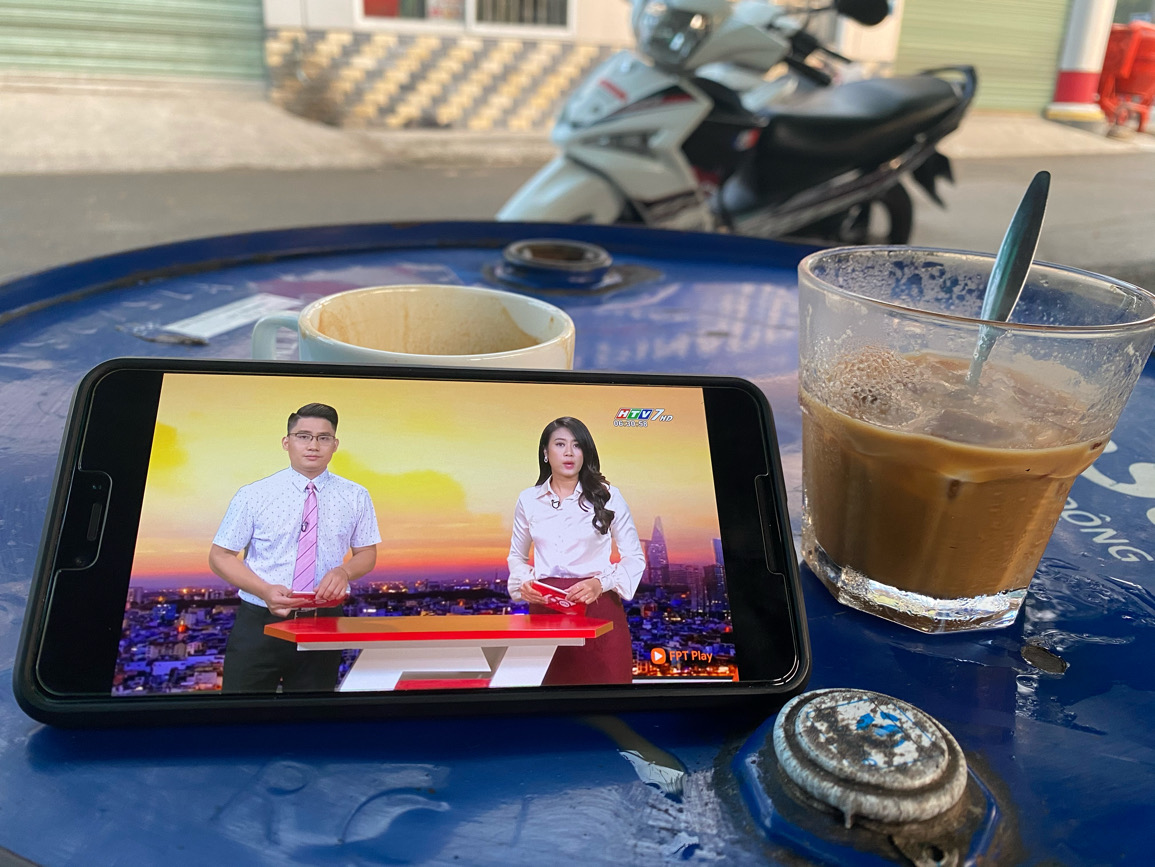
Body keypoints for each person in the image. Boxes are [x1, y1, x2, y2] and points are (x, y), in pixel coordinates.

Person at [209, 403, 380, 693]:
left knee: (311, 712)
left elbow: (367, 553)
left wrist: (344, 572)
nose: (313, 445)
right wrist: (265, 590)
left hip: (324, 622)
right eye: (303, 436)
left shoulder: (355, 496)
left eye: (323, 437)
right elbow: (220, 556)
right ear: (286, 442)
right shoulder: (253, 495)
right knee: (241, 711)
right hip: (260, 621)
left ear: (335, 445)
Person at [507, 416, 646, 685]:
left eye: (577, 445)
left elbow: (634, 557)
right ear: (546, 453)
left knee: (607, 699)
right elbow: (517, 556)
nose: (569, 452)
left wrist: (600, 583)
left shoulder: (609, 496)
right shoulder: (528, 500)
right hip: (546, 610)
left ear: (586, 452)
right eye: (560, 444)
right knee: (553, 701)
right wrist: (524, 582)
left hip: (598, 607)